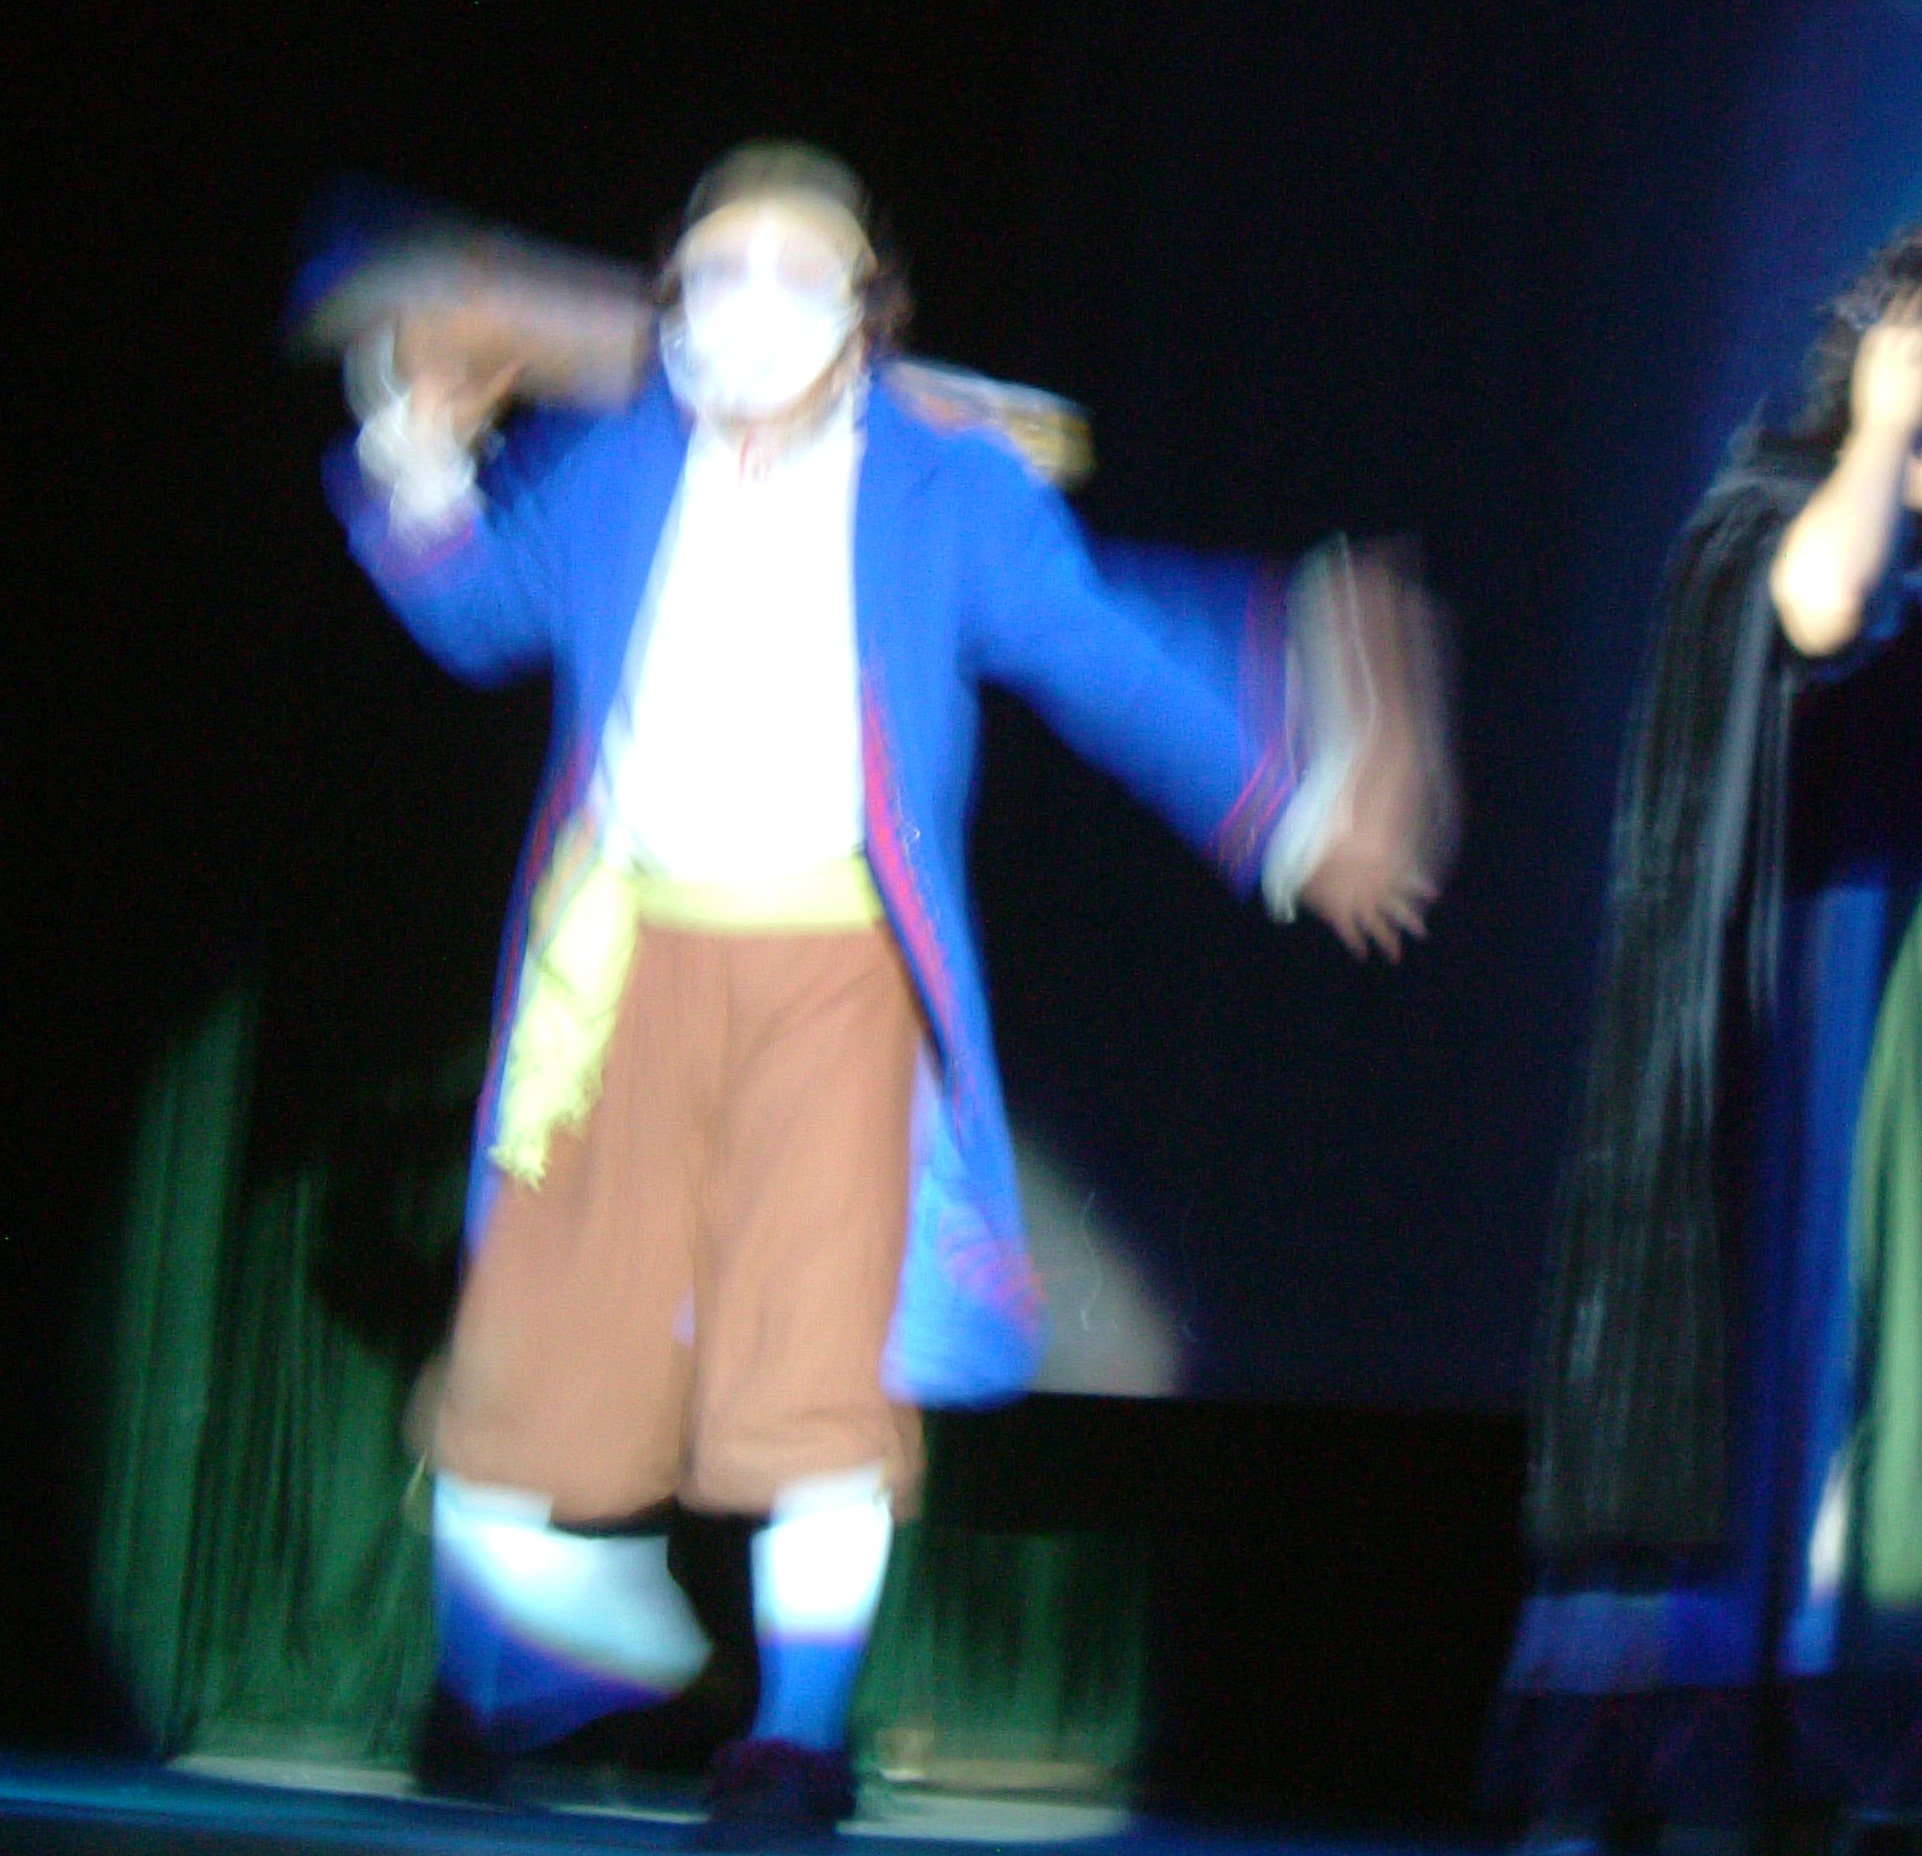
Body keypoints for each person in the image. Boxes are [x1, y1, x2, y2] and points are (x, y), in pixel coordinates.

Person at [329, 143, 1448, 1844]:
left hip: (835, 972)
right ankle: (507, 1681)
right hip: (613, 960)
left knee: (819, 1353)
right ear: (671, 303)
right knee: (543, 1333)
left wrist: (1284, 816)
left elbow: (1102, 654)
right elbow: (479, 616)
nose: (748, 309)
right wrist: (417, 453)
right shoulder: (618, 460)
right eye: (716, 274)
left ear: (869, 317)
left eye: (796, 276)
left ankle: (795, 1735)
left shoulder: (949, 495)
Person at [1499, 225, 1922, 1849]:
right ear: (1901, 357)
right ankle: (1716, 1744)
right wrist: (1882, 431)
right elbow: (1823, 611)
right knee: (1818, 1362)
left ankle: (1881, 1739)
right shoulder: (1781, 504)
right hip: (1832, 1016)